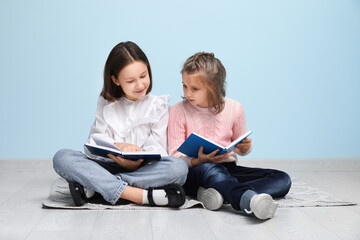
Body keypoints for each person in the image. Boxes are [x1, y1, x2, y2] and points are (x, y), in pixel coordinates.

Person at [53, 41, 188, 208]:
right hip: (107, 167)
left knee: (178, 168)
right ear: (116, 80)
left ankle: (95, 188)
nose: (140, 85)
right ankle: (141, 195)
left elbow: (158, 148)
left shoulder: (158, 105)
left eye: (143, 76)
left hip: (143, 170)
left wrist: (137, 160)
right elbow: (92, 144)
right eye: (130, 81)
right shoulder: (106, 103)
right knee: (62, 157)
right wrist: (117, 145)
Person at [167, 52, 291, 219]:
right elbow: (174, 156)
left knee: (282, 179)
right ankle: (246, 199)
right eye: (184, 86)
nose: (188, 93)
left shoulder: (234, 108)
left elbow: (239, 146)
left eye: (195, 88)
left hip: (228, 168)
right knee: (210, 170)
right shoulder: (177, 111)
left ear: (214, 85)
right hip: (196, 170)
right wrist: (199, 160)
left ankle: (220, 192)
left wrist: (245, 147)